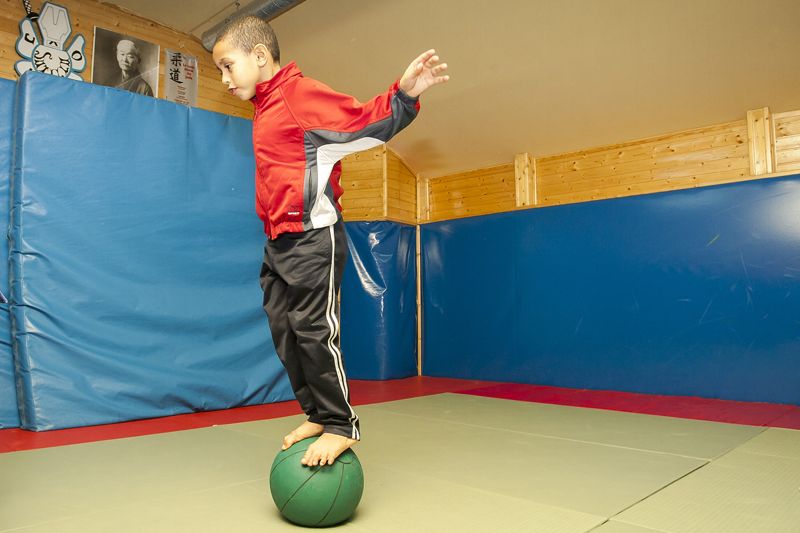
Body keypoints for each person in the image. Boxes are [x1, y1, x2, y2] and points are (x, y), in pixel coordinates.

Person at [212, 16, 448, 467]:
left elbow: (362, 121)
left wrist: (403, 96)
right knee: (285, 332)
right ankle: (317, 413)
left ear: (259, 56)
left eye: (228, 66)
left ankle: (341, 423)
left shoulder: (297, 95)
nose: (224, 79)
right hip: (278, 242)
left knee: (315, 331)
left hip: (313, 238)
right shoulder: (265, 106)